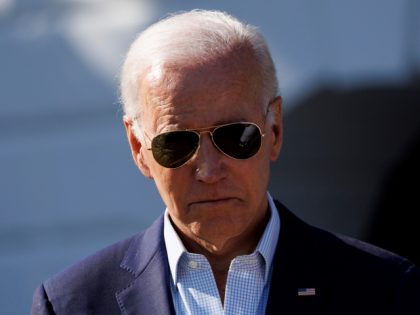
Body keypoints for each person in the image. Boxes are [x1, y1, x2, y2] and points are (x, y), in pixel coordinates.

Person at [31, 9, 420, 315]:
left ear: (275, 130)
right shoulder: (72, 304)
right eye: (177, 143)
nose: (209, 169)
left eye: (237, 137)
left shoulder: (383, 289)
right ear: (138, 147)